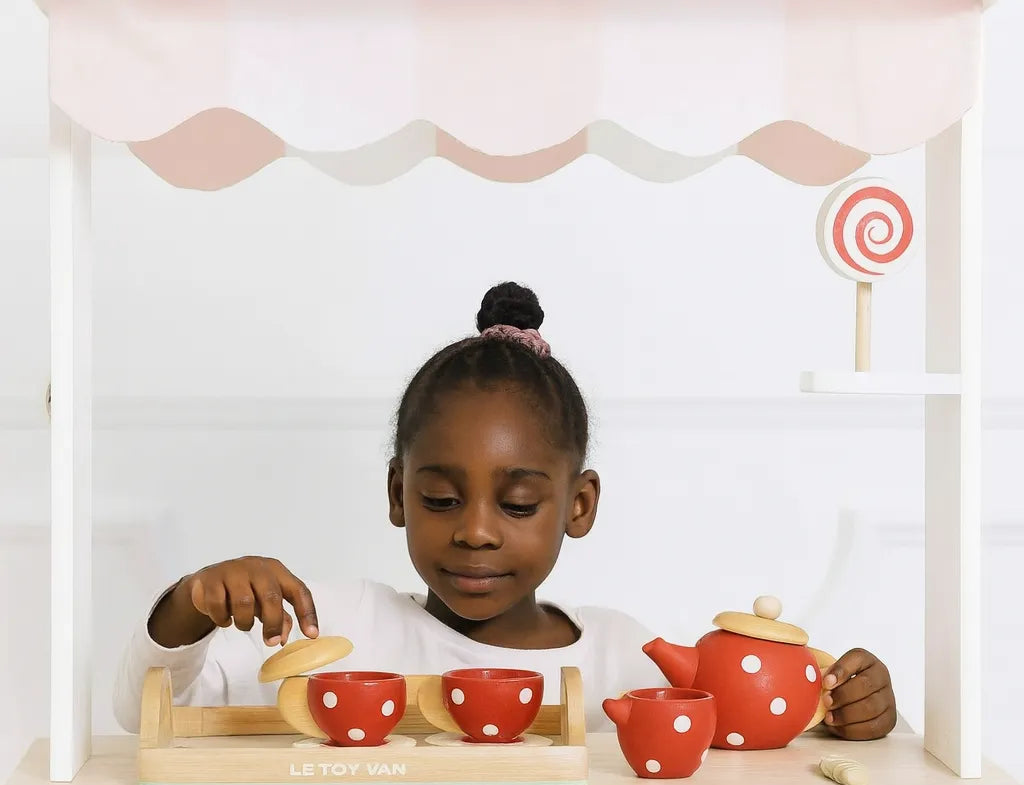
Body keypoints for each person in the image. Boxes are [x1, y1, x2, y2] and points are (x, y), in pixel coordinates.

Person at [112, 282, 897, 741]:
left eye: (518, 503)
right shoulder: (336, 628)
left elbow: (742, 746)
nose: (476, 531)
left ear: (578, 505)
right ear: (397, 495)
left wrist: (844, 713)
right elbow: (144, 714)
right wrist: (189, 606)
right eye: (440, 499)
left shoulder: (621, 655)